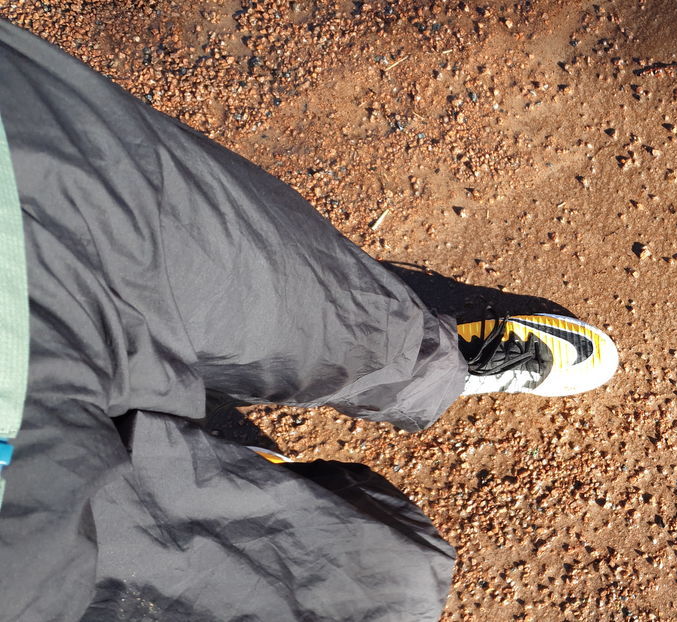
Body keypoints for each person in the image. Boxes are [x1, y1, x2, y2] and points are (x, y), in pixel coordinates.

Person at [0, 19, 618, 622]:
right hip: (27, 535)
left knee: (300, 301)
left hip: (29, 182)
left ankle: (432, 365)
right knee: (372, 584)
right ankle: (221, 472)